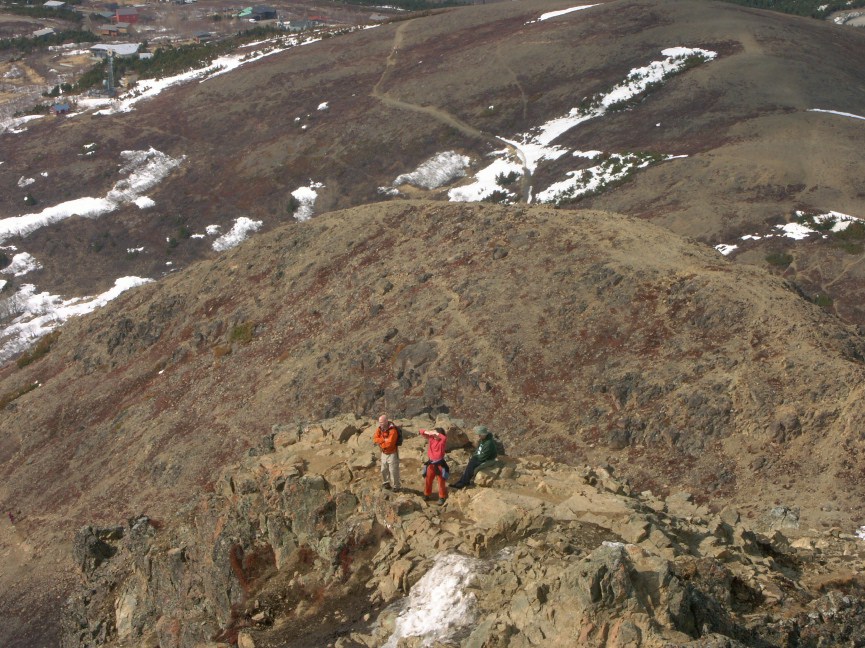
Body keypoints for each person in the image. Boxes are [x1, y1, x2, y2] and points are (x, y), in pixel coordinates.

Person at [450, 425, 497, 490]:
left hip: (488, 459)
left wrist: (475, 458)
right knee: (470, 464)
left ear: (484, 434)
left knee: (471, 465)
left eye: (480, 435)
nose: (479, 436)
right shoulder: (483, 440)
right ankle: (461, 481)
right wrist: (474, 456)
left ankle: (464, 482)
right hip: (480, 457)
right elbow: (478, 450)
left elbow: (483, 456)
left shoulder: (488, 443)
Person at [419, 427, 448, 504]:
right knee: (428, 480)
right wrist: (429, 432)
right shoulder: (431, 439)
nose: (434, 435)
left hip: (440, 465)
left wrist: (436, 433)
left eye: (435, 434)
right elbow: (421, 431)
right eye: (433, 434)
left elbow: (444, 438)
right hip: (431, 464)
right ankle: (427, 494)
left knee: (441, 482)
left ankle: (442, 497)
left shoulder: (441, 442)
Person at [373, 414, 400, 491]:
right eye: (379, 422)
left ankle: (396, 487)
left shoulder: (393, 430)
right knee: (383, 469)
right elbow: (375, 438)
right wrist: (383, 440)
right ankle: (386, 483)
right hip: (383, 453)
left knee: (393, 471)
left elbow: (389, 444)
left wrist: (381, 443)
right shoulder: (380, 428)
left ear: (386, 421)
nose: (380, 424)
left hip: (392, 453)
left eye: (381, 422)